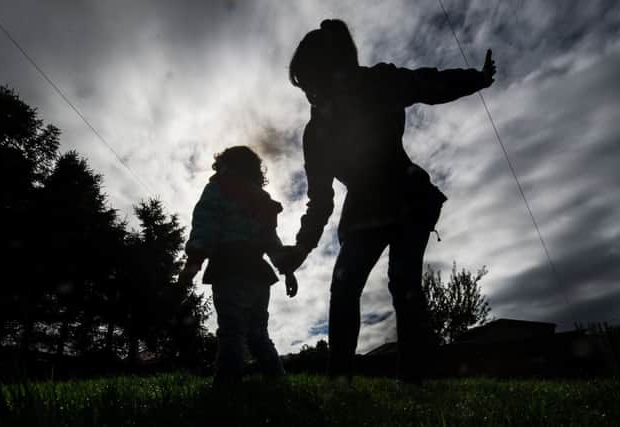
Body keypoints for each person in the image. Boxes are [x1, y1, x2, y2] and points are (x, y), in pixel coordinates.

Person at [276, 19, 496, 383]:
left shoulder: (377, 83)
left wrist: (477, 79)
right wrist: (300, 249)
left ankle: (414, 380)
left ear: (333, 70)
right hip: (364, 208)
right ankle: (339, 379)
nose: (311, 96)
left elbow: (428, 83)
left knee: (404, 281)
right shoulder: (316, 133)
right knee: (344, 285)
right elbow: (319, 200)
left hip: (408, 196)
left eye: (313, 83)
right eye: (305, 89)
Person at [178, 146, 298, 386]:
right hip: (258, 274)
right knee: (258, 334)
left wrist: (192, 265)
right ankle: (277, 380)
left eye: (220, 164)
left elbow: (205, 227)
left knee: (232, 332)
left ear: (226, 166)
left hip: (229, 269)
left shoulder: (218, 189)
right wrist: (287, 270)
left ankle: (226, 386)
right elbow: (270, 239)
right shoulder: (262, 198)